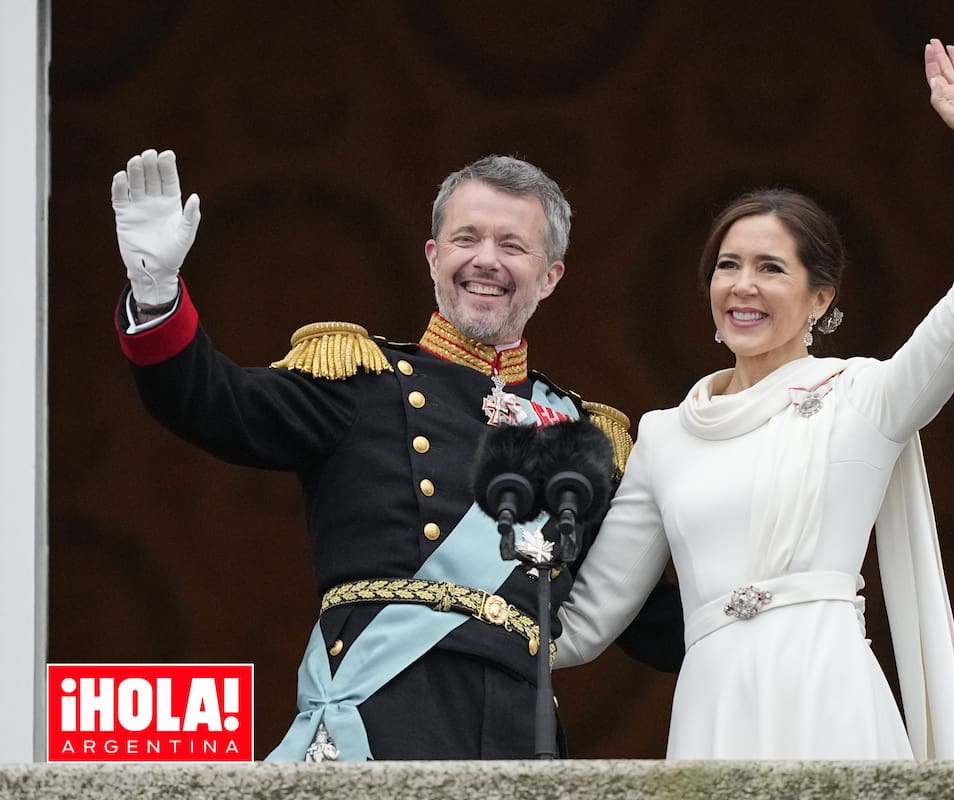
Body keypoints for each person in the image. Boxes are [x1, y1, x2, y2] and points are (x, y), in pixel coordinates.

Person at [109, 151, 683, 760]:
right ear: (434, 257)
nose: (485, 259)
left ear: (550, 276)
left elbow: (646, 616)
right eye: (467, 238)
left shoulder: (583, 438)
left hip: (518, 739)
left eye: (512, 245)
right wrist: (156, 292)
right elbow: (213, 403)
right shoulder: (361, 381)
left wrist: (784, 607)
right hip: (383, 722)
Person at [552, 39, 954, 760]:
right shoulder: (666, 437)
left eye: (772, 268)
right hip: (713, 713)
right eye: (727, 266)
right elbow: (582, 625)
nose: (743, 285)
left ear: (819, 297)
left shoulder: (863, 397)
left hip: (830, 698)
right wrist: (444, 612)